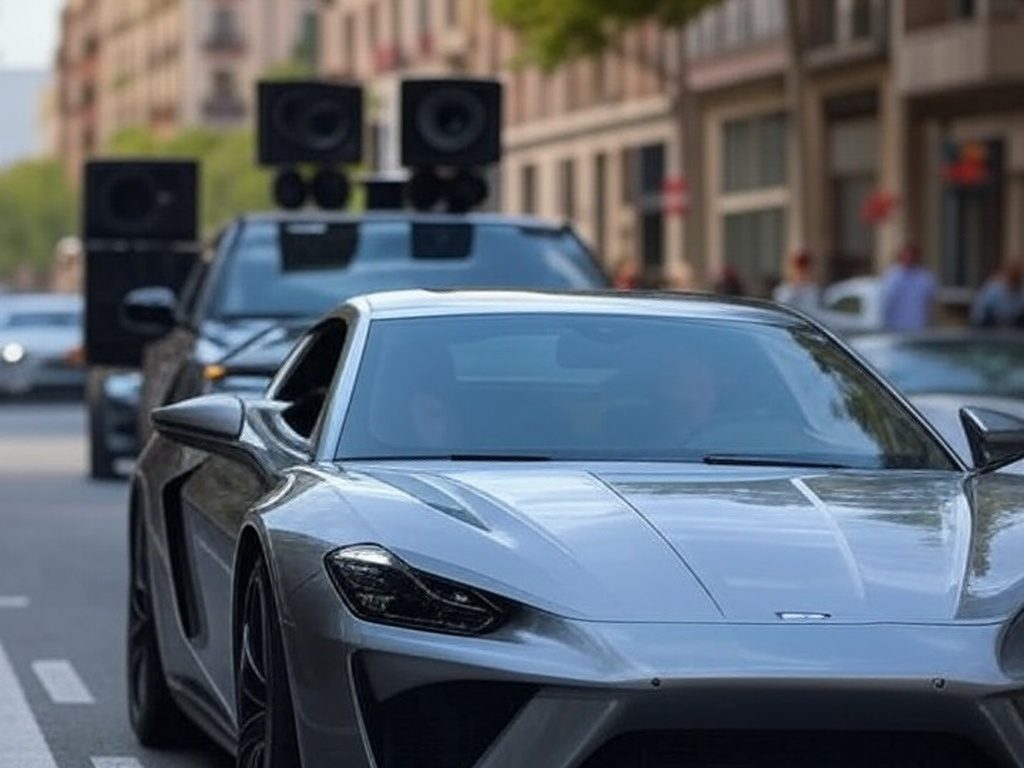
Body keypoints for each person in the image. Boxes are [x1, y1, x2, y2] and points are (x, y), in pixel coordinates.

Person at [881, 244, 937, 331]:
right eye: (906, 255)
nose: (909, 258)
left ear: (916, 257)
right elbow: (885, 301)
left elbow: (932, 302)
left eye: (911, 256)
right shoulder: (891, 276)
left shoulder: (925, 277)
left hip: (919, 327)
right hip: (895, 327)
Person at [970, 259, 1024, 328]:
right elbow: (978, 316)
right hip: (991, 330)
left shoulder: (1021, 290)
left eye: (1017, 272)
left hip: (1015, 331)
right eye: (1013, 270)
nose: (1015, 274)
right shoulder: (993, 290)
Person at [773, 249, 820, 313]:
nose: (802, 273)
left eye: (805, 269)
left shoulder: (813, 290)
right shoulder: (784, 290)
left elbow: (815, 310)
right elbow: (781, 308)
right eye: (799, 269)